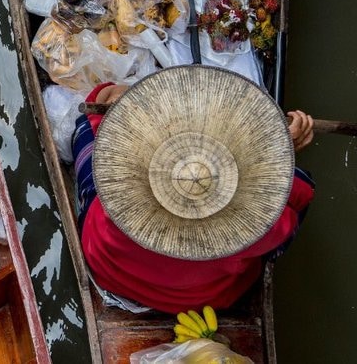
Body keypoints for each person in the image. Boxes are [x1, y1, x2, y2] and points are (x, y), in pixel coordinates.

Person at [72, 68, 316, 313]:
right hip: (195, 302)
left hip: (104, 267)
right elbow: (300, 196)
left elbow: (100, 98)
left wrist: (125, 97)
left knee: (90, 125)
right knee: (300, 184)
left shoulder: (123, 168)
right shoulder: (258, 224)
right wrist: (281, 153)